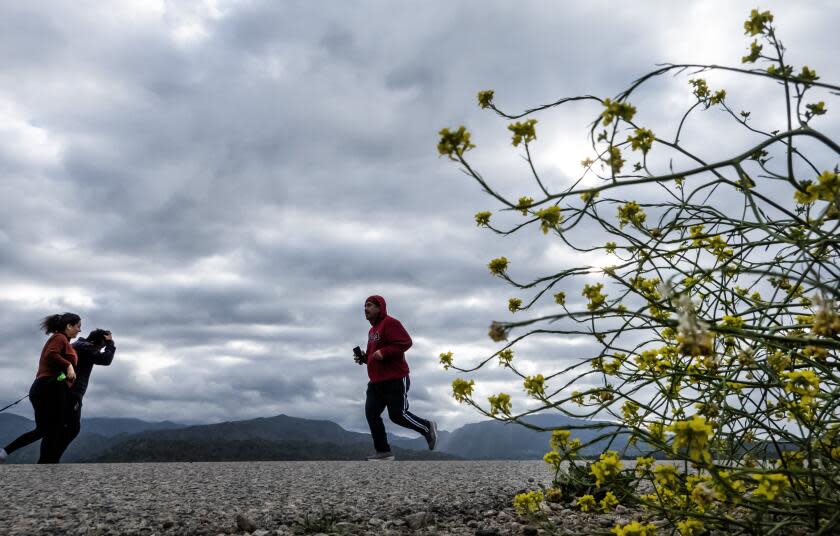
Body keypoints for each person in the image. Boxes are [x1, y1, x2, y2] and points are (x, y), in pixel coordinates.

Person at [0, 329, 116, 464]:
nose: (100, 350)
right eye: (101, 346)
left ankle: (45, 460)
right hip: (70, 392)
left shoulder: (78, 346)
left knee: (52, 428)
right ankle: (49, 460)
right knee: (70, 428)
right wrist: (110, 343)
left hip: (60, 390)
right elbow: (106, 359)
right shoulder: (85, 347)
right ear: (96, 343)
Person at [355, 295, 436, 461]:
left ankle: (427, 427)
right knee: (371, 414)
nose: (366, 309)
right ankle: (383, 452)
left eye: (369, 305)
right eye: (364, 306)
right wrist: (364, 358)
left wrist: (384, 352)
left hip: (395, 378)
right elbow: (374, 355)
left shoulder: (390, 323)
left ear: (380, 307)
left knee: (397, 415)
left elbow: (406, 342)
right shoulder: (372, 331)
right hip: (376, 382)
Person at [0, 313, 81, 464]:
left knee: (44, 429)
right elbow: (51, 354)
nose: (79, 330)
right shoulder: (59, 338)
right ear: (69, 326)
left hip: (45, 387)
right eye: (78, 326)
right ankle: (48, 463)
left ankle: (4, 452)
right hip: (51, 388)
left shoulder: (62, 341)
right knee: (61, 426)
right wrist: (68, 365)